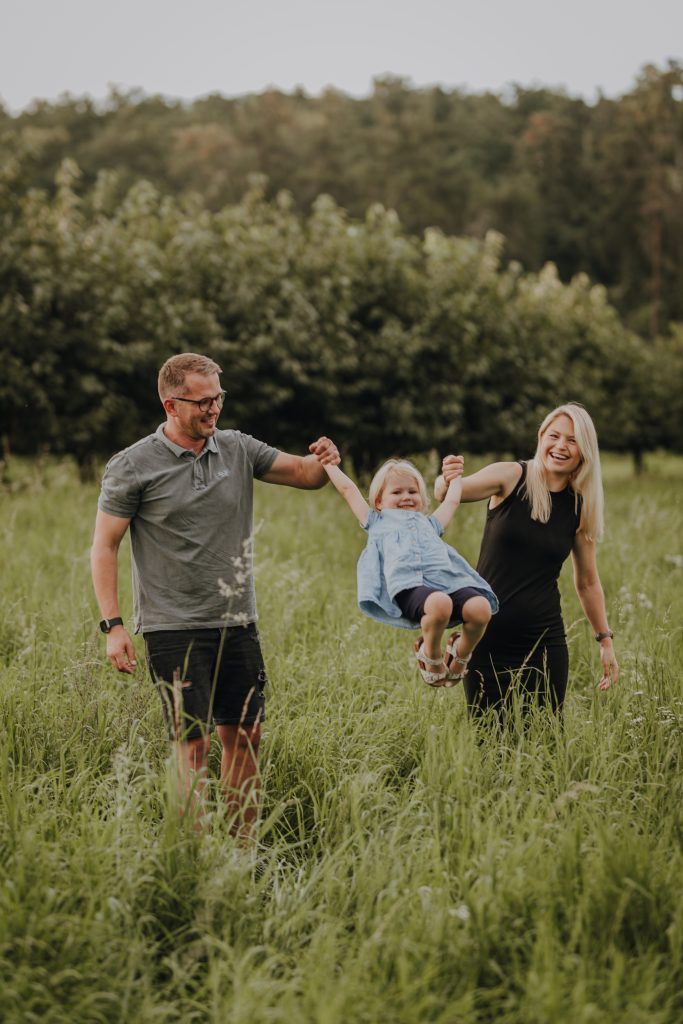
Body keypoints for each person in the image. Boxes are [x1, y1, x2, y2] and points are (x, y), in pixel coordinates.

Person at [91, 352, 338, 839]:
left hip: (237, 623)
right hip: (172, 627)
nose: (213, 409)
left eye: (218, 398)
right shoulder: (133, 465)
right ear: (170, 403)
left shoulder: (238, 448)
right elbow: (105, 545)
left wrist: (325, 459)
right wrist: (113, 625)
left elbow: (305, 475)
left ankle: (241, 848)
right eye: (202, 401)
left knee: (245, 735)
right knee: (193, 746)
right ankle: (196, 855)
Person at [436, 403, 619, 714]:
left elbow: (588, 582)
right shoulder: (510, 475)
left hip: (544, 642)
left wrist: (605, 641)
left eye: (572, 440)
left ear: (584, 450)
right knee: (489, 741)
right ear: (541, 436)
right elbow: (451, 492)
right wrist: (446, 478)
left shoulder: (579, 507)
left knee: (545, 742)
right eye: (554, 435)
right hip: (486, 637)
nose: (561, 446)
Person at [314, 454, 498, 687]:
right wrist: (328, 462)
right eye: (397, 492)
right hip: (410, 588)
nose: (406, 497)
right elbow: (348, 489)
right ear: (379, 501)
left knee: (481, 608)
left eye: (412, 492)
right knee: (440, 603)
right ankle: (429, 655)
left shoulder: (431, 524)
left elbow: (452, 501)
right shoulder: (376, 522)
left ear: (421, 499)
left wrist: (456, 477)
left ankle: (461, 654)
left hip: (447, 583)